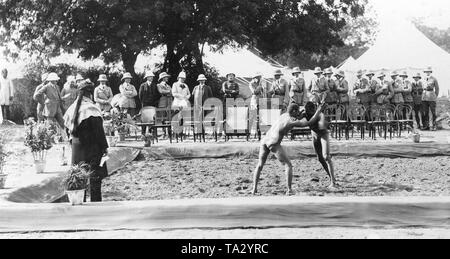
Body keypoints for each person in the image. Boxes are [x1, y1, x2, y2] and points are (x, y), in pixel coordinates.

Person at [252, 101, 326, 195]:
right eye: (297, 111)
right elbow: (308, 123)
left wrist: (301, 113)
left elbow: (296, 116)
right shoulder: (290, 122)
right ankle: (289, 190)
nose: (299, 113)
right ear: (294, 111)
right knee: (288, 165)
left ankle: (254, 189)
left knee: (260, 165)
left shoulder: (284, 115)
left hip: (264, 141)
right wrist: (318, 111)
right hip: (273, 143)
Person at [64, 80, 108, 202]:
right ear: (89, 94)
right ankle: (96, 204)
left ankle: (79, 202)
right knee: (94, 179)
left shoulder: (71, 109)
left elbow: (68, 131)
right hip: (92, 149)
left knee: (79, 179)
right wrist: (104, 147)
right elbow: (99, 132)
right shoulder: (91, 109)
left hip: (77, 148)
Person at [304, 101, 337, 189]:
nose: (312, 112)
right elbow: (306, 121)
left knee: (326, 156)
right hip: (314, 135)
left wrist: (321, 116)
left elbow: (321, 124)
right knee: (320, 159)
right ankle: (331, 177)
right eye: (310, 111)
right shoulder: (306, 113)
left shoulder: (319, 114)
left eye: (313, 110)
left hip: (323, 135)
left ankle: (333, 181)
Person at [422, 67, 440, 131]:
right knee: (425, 112)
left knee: (433, 112)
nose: (427, 72)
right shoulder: (423, 79)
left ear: (430, 72)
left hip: (431, 97)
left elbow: (437, 89)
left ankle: (434, 126)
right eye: (426, 71)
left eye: (428, 71)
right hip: (424, 97)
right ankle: (426, 126)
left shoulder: (434, 79)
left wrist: (435, 96)